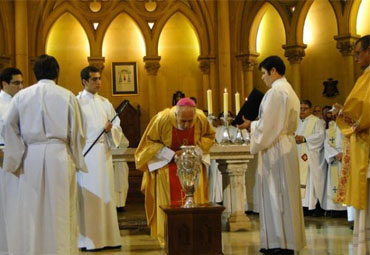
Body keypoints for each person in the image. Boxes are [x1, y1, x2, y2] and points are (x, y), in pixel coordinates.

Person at [2, 54, 87, 255]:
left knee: (33, 208)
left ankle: (34, 249)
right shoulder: (67, 96)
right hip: (59, 155)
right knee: (60, 208)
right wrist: (75, 153)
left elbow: (8, 125)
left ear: (35, 73)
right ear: (57, 73)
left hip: (31, 155)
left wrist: (17, 154)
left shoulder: (22, 96)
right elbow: (78, 131)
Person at [238, 56, 306, 254]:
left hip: (276, 148)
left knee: (277, 194)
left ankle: (280, 243)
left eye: (263, 73)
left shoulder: (276, 92)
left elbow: (269, 125)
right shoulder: (289, 90)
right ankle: (284, 241)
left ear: (273, 71)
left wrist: (251, 124)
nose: (262, 78)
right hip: (285, 144)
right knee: (284, 194)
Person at [135, 98, 215, 247]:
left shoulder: (201, 118)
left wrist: (195, 151)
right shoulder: (162, 119)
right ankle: (167, 239)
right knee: (169, 205)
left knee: (196, 204)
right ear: (176, 114)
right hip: (167, 169)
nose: (186, 125)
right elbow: (149, 143)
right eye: (183, 121)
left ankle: (197, 237)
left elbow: (209, 136)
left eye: (190, 121)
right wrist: (172, 154)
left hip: (193, 168)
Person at [77, 66, 123, 250]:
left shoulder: (105, 103)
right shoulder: (76, 102)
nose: (98, 82)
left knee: (106, 195)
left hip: (104, 154)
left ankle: (109, 238)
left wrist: (112, 130)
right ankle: (87, 240)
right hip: (86, 155)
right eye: (94, 79)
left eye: (99, 79)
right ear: (84, 81)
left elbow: (117, 125)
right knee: (88, 198)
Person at [334, 35, 370, 254]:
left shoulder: (368, 78)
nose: (356, 58)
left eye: (358, 53)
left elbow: (361, 111)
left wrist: (341, 113)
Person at [0, 67, 23, 255]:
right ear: (4, 84)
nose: (20, 86)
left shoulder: (21, 102)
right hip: (3, 158)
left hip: (21, 159)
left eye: (22, 83)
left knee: (18, 204)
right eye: (16, 83)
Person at [295, 100, 325, 215]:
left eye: (305, 108)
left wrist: (304, 139)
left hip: (309, 156)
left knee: (309, 180)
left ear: (310, 109)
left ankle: (309, 206)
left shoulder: (316, 121)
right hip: (296, 156)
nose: (302, 110)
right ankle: (299, 206)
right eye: (300, 108)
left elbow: (320, 136)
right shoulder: (295, 121)